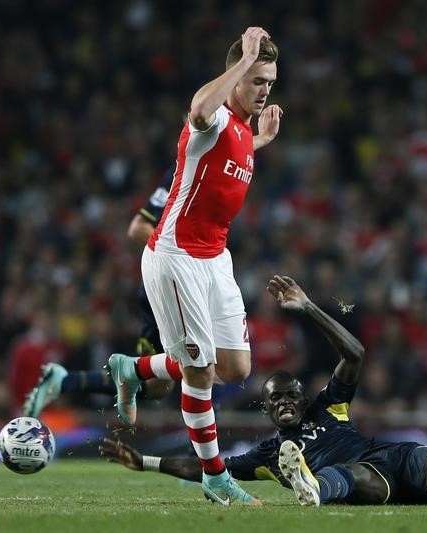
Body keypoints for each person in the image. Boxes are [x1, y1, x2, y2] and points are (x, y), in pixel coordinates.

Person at [100, 275, 427, 507]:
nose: (284, 401)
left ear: (303, 397)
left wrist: (308, 307)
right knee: (347, 477)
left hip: (396, 457)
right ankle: (312, 486)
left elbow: (355, 353)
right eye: (274, 398)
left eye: (290, 395)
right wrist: (146, 462)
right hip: (365, 480)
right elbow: (208, 468)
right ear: (265, 410)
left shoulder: (329, 406)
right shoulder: (265, 456)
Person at [107, 26, 283, 506]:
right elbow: (201, 111)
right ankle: (215, 478)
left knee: (234, 366)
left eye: (269, 81)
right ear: (238, 75)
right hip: (176, 257)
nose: (264, 89)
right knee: (200, 372)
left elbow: (228, 162)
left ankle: (135, 368)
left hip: (216, 259)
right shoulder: (215, 117)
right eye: (256, 79)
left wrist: (261, 142)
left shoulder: (243, 131)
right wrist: (242, 62)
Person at [22, 168, 176, 418]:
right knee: (212, 363)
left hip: (186, 279)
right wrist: (184, 257)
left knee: (157, 385)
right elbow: (139, 228)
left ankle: (64, 382)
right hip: (174, 283)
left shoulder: (226, 160)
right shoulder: (184, 169)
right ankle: (203, 455)